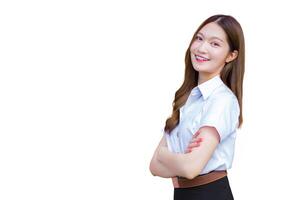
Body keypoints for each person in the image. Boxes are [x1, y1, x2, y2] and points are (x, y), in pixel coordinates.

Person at [149, 14, 245, 200]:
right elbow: (154, 166)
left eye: (215, 44)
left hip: (209, 194)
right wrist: (179, 160)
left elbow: (190, 168)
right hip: (183, 194)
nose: (201, 48)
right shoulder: (187, 98)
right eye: (199, 38)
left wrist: (164, 155)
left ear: (231, 55)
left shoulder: (222, 100)